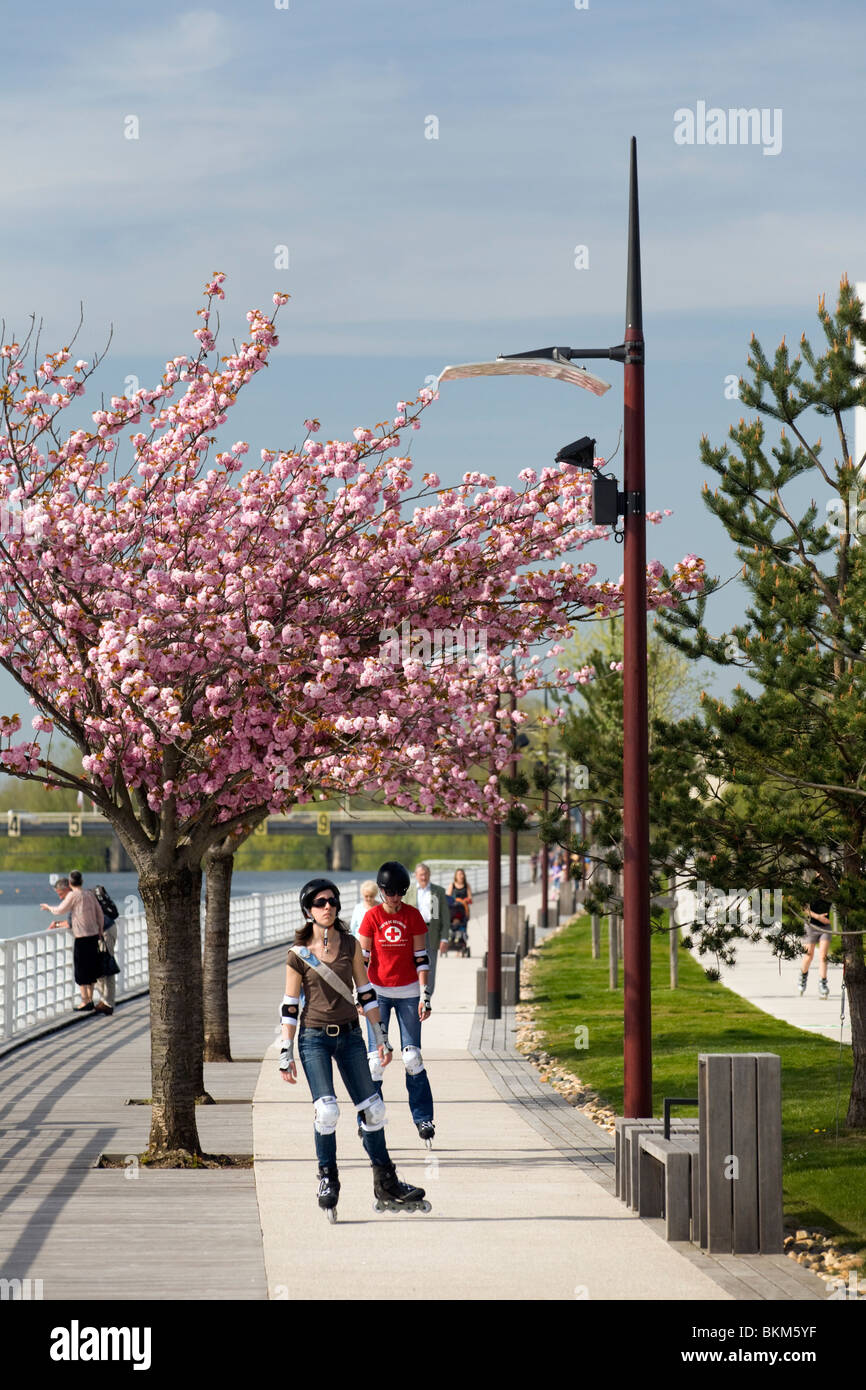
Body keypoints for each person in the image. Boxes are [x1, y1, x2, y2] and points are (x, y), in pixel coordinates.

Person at [279, 877, 429, 1220]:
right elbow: (290, 1005)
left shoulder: (349, 945)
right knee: (327, 1112)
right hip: (314, 1037)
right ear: (308, 911)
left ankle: (386, 1182)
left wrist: (381, 1036)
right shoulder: (298, 954)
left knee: (373, 1111)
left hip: (349, 1036)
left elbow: (365, 992)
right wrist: (285, 1051)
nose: (328, 906)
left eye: (332, 901)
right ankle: (327, 1178)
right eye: (320, 902)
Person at [358, 861, 436, 1147]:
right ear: (380, 891)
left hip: (409, 993)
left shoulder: (413, 916)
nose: (394, 898)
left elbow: (421, 958)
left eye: (399, 892)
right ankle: (368, 1116)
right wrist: (361, 994)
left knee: (412, 1058)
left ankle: (423, 1117)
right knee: (375, 1061)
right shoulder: (372, 918)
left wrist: (425, 993)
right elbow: (362, 960)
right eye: (389, 892)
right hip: (378, 992)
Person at [40, 870, 105, 1012]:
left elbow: (60, 910)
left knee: (81, 969)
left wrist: (48, 907)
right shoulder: (89, 894)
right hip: (94, 934)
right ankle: (90, 998)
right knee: (91, 967)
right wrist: (100, 930)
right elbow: (99, 913)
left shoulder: (74, 895)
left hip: (81, 936)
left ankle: (85, 1000)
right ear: (81, 881)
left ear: (70, 883)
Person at [404, 862, 449, 993]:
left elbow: (444, 917)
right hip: (413, 933)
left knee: (430, 964)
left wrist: (445, 938)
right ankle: (414, 992)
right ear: (416, 875)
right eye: (421, 875)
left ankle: (427, 994)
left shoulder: (437, 891)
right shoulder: (409, 892)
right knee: (412, 963)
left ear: (429, 875)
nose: (423, 877)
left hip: (431, 932)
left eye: (426, 874)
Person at [92, 884, 121, 1016]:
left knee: (107, 966)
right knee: (100, 967)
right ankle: (104, 1000)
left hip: (106, 931)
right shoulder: (85, 896)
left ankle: (108, 1003)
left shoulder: (82, 898)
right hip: (103, 930)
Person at [798, 888, 832, 999]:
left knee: (823, 956)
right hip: (811, 926)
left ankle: (823, 983)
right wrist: (818, 917)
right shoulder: (811, 885)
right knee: (809, 955)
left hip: (825, 927)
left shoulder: (830, 884)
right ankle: (803, 976)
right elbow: (803, 908)